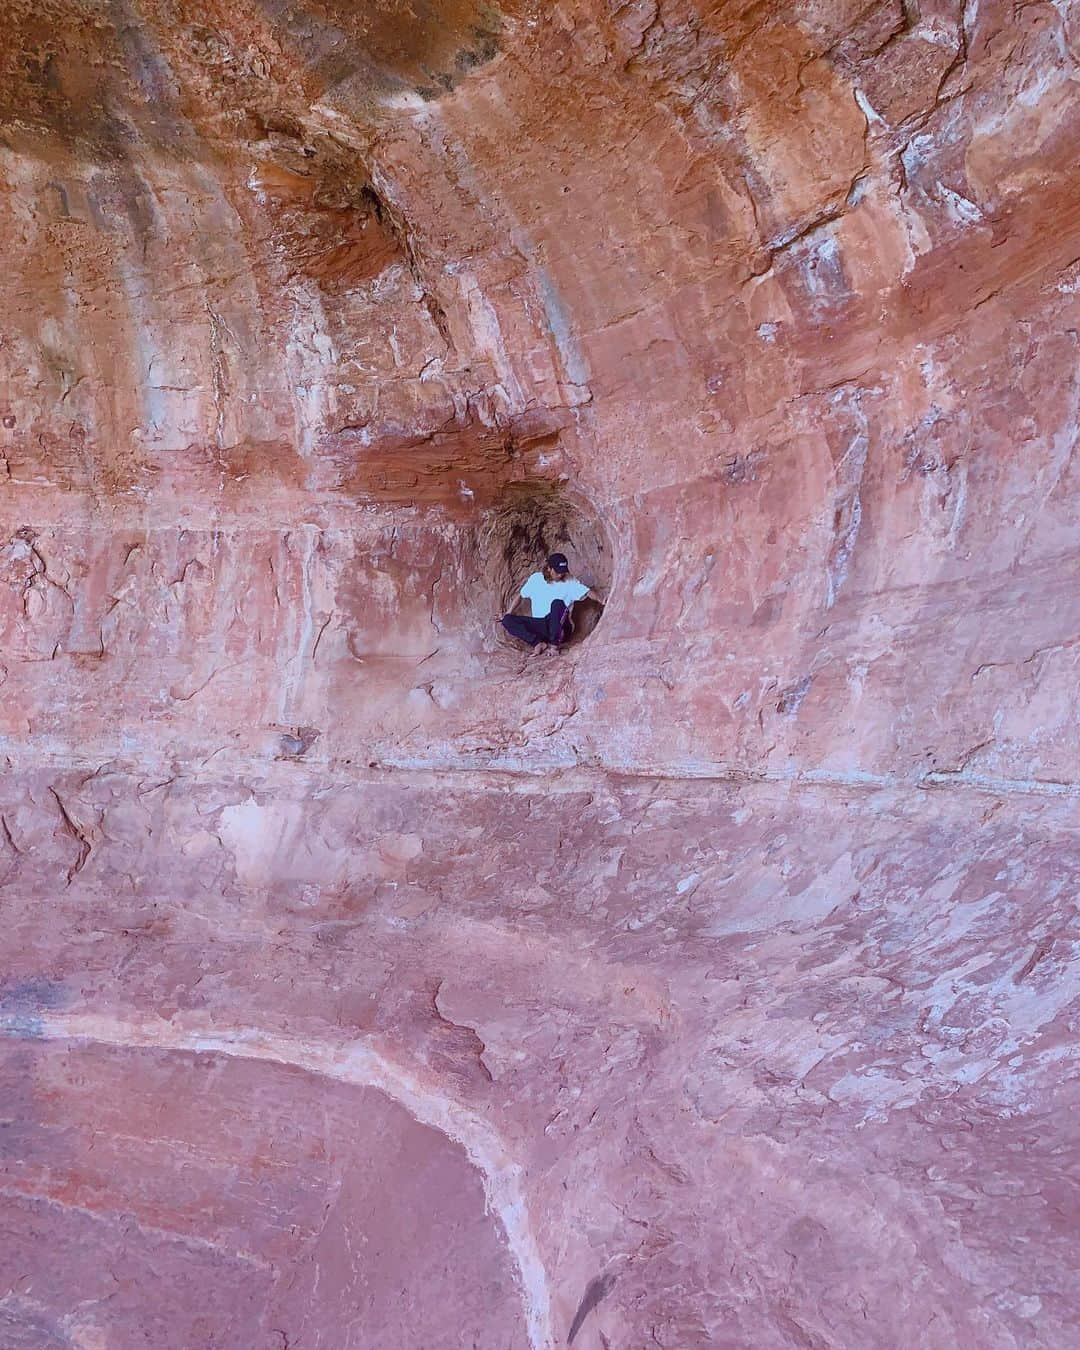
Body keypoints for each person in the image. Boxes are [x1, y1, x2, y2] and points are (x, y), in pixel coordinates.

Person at [500, 553, 601, 650]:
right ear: (549, 568)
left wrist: (602, 600)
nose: (560, 575)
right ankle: (537, 643)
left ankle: (554, 646)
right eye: (557, 572)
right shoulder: (536, 579)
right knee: (507, 620)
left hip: (561, 627)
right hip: (542, 626)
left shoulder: (570, 581)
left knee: (557, 603)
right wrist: (508, 613)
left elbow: (587, 592)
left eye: (563, 572)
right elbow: (521, 595)